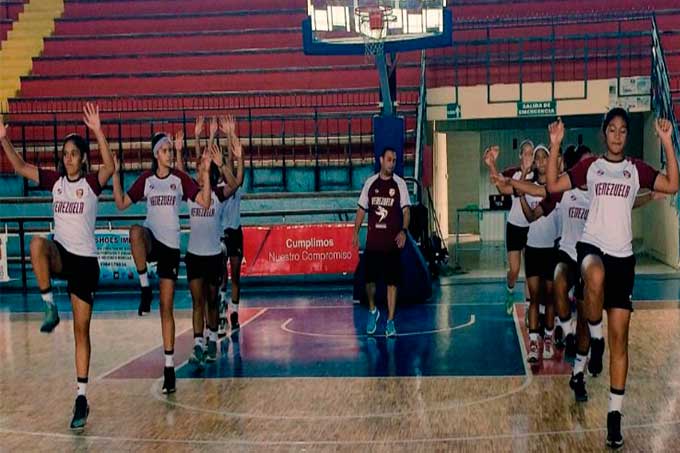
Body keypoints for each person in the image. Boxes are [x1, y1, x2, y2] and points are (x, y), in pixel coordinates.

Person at [545, 110, 678, 449]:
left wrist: (667, 143)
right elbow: (552, 185)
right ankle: (595, 337)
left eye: (623, 130)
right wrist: (555, 144)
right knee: (593, 273)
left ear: (625, 135)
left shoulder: (636, 169)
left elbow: (672, 185)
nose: (618, 135)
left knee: (623, 341)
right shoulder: (590, 168)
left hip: (624, 259)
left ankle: (614, 417)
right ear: (604, 134)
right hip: (592, 247)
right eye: (612, 130)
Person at [0, 104, 114, 429]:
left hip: (85, 262)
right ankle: (49, 306)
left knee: (82, 332)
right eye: (64, 153)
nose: (68, 158)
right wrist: (3, 139)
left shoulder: (92, 183)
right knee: (37, 243)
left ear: (82, 158)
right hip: (62, 253)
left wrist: (98, 132)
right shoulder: (55, 182)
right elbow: (21, 167)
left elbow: (111, 164)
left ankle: (81, 396)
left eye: (73, 153)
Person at [112, 131, 212, 394]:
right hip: (151, 239)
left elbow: (205, 200)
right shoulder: (147, 180)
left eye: (170, 150)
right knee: (134, 231)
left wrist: (208, 172)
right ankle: (144, 286)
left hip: (170, 248)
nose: (169, 153)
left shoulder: (179, 179)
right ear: (157, 154)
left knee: (166, 307)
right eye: (166, 150)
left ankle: (169, 367)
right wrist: (114, 173)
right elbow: (121, 203)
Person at [353, 147, 411, 337]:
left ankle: (390, 322)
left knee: (392, 284)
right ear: (381, 160)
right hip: (373, 244)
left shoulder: (400, 184)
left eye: (394, 160)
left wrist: (403, 230)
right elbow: (361, 209)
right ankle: (373, 311)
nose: (392, 163)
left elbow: (406, 211)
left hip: (391, 244)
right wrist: (355, 232)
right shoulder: (370, 183)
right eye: (389, 160)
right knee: (369, 283)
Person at [484, 140, 534, 315]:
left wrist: (528, 172)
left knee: (530, 272)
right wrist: (492, 164)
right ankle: (510, 290)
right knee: (514, 270)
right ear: (520, 155)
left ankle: (529, 307)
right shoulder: (514, 173)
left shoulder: (536, 176)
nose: (528, 156)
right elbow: (503, 187)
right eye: (525, 153)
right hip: (514, 226)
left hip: (532, 228)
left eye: (531, 153)